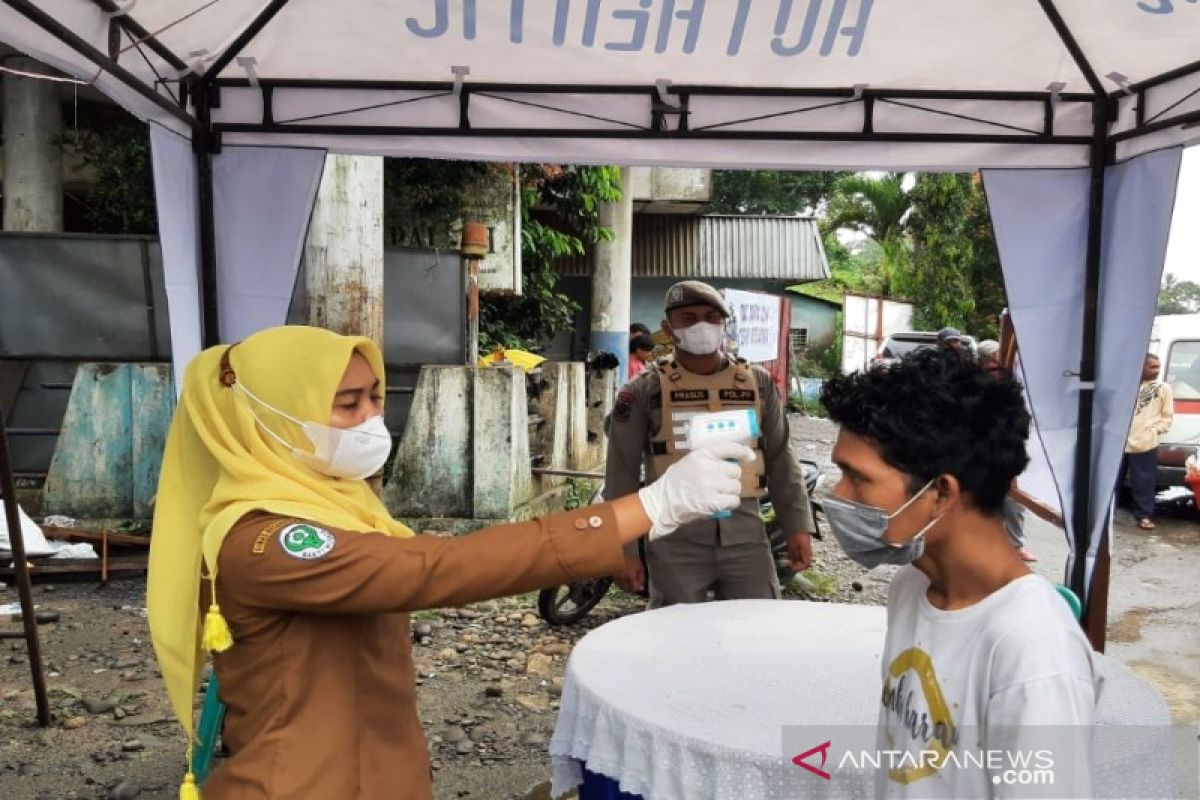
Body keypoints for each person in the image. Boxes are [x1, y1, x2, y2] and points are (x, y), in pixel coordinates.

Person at [146, 325, 751, 799]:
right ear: (265, 416)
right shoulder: (265, 539)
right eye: (346, 404)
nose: (371, 419)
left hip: (377, 768)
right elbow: (433, 569)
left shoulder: (337, 500)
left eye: (376, 399)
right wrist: (646, 508)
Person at [819, 349, 1096, 799]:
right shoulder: (913, 584)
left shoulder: (1034, 653)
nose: (838, 494)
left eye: (857, 478)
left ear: (941, 493)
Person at [606, 280, 817, 606]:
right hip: (674, 541)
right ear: (667, 327)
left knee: (758, 630)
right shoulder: (644, 390)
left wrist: (797, 527)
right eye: (688, 318)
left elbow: (780, 459)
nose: (700, 325)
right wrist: (624, 551)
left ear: (724, 323)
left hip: (747, 537)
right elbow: (621, 475)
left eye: (710, 316)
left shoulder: (757, 383)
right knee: (676, 637)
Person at [976, 339, 1036, 563]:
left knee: (1014, 502)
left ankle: (1015, 545)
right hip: (979, 453)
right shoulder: (974, 386)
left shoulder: (1014, 386)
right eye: (991, 365)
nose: (996, 369)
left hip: (1007, 452)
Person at [1119, 352, 1174, 530]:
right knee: (1111, 481)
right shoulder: (1127, 385)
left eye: (1157, 367)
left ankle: (1144, 516)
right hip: (1120, 441)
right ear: (1141, 367)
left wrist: (1155, 430)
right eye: (1152, 367)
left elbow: (1167, 417)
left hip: (1145, 441)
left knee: (1143, 482)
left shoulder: (1162, 388)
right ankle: (1103, 516)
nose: (1156, 370)